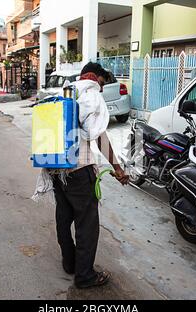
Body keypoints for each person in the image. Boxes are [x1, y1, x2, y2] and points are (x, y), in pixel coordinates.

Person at [33, 62, 129, 289]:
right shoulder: (90, 94)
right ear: (94, 77)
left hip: (57, 170)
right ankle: (85, 275)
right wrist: (117, 167)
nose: (102, 88)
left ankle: (70, 262)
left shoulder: (66, 93)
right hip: (78, 170)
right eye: (103, 82)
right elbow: (98, 135)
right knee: (87, 224)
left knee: (64, 218)